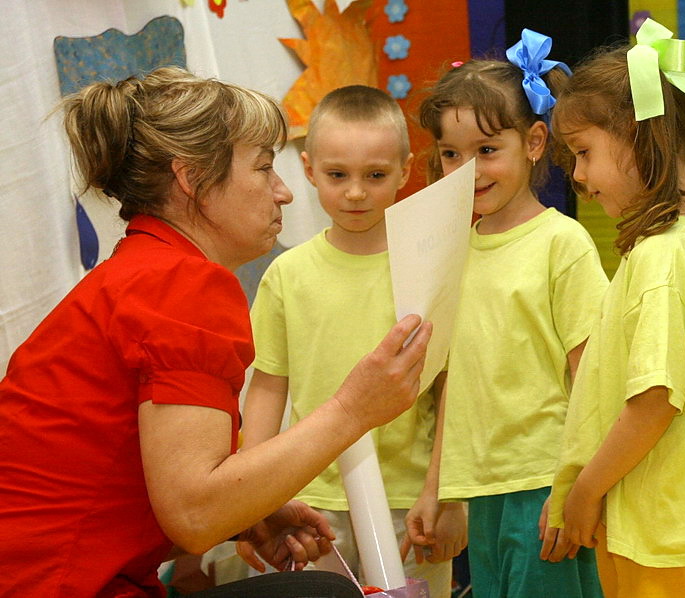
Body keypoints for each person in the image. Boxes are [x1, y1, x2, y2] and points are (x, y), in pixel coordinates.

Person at [0, 67, 432, 598]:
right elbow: (194, 513)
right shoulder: (180, 283)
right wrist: (353, 410)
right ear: (191, 177)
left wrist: (249, 514)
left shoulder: (143, 270)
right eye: (265, 168)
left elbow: (132, 493)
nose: (283, 194)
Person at [545, 19, 685, 598]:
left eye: (584, 153)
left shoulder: (665, 257)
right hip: (658, 532)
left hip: (673, 547)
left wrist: (585, 491)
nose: (581, 179)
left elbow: (652, 402)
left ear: (642, 138)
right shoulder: (670, 247)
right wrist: (575, 484)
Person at [240, 85, 464, 597]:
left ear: (405, 171)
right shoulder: (287, 275)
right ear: (309, 168)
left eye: (376, 175)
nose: (356, 192)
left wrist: (445, 493)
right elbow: (268, 388)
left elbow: (452, 386)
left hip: (410, 504)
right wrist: (250, 498)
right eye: (338, 175)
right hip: (309, 502)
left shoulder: (430, 267)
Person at [415, 29, 609, 598]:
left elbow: (591, 374)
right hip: (482, 492)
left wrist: (578, 487)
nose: (467, 169)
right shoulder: (450, 249)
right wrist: (440, 489)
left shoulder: (561, 243)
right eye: (451, 153)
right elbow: (455, 380)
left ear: (533, 142)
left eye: (486, 151)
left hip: (545, 487)